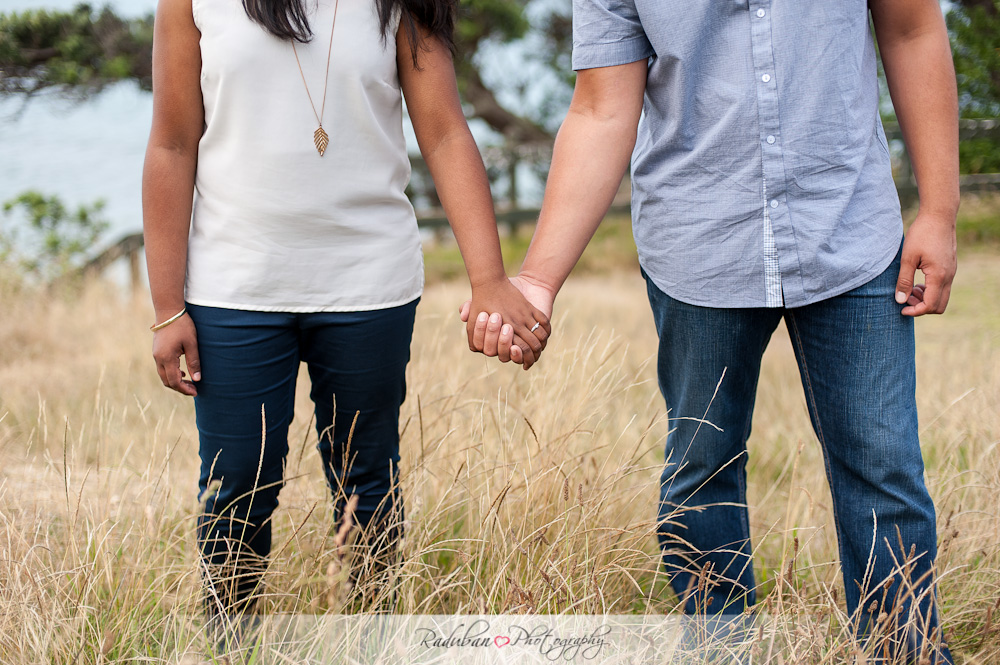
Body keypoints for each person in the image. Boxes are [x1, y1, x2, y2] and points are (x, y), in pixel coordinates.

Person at [463, 0, 958, 660]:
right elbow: (601, 108)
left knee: (884, 467)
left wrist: (940, 209)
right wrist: (539, 280)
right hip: (698, 239)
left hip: (849, 226)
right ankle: (721, 650)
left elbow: (912, 26)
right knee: (701, 474)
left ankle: (906, 652)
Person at [142, 0, 550, 620]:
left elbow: (443, 130)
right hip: (234, 285)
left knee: (368, 483)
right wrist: (168, 308)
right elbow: (172, 143)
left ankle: (371, 643)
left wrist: (489, 279)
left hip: (369, 284)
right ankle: (233, 647)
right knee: (237, 488)